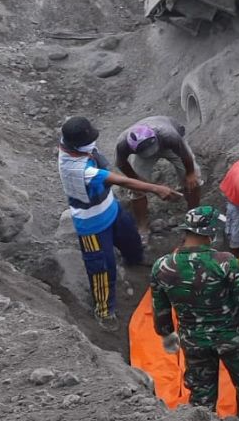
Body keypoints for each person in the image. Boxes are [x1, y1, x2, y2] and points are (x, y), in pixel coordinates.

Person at [149, 206, 239, 421]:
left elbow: (160, 311)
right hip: (232, 339)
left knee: (202, 394)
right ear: (209, 232)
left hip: (194, 341)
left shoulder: (163, 267)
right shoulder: (224, 262)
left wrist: (167, 334)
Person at [57, 116, 181, 329]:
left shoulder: (72, 143)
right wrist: (155, 188)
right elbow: (119, 179)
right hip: (92, 225)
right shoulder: (77, 169)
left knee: (131, 238)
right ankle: (104, 311)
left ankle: (134, 259)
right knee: (102, 269)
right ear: (77, 145)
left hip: (111, 208)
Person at [113, 115, 201, 232]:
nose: (151, 153)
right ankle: (142, 227)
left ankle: (193, 216)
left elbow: (185, 155)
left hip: (168, 145)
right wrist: (141, 182)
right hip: (141, 154)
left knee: (193, 178)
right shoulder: (123, 144)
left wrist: (190, 174)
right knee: (135, 188)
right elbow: (122, 164)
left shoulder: (169, 135)